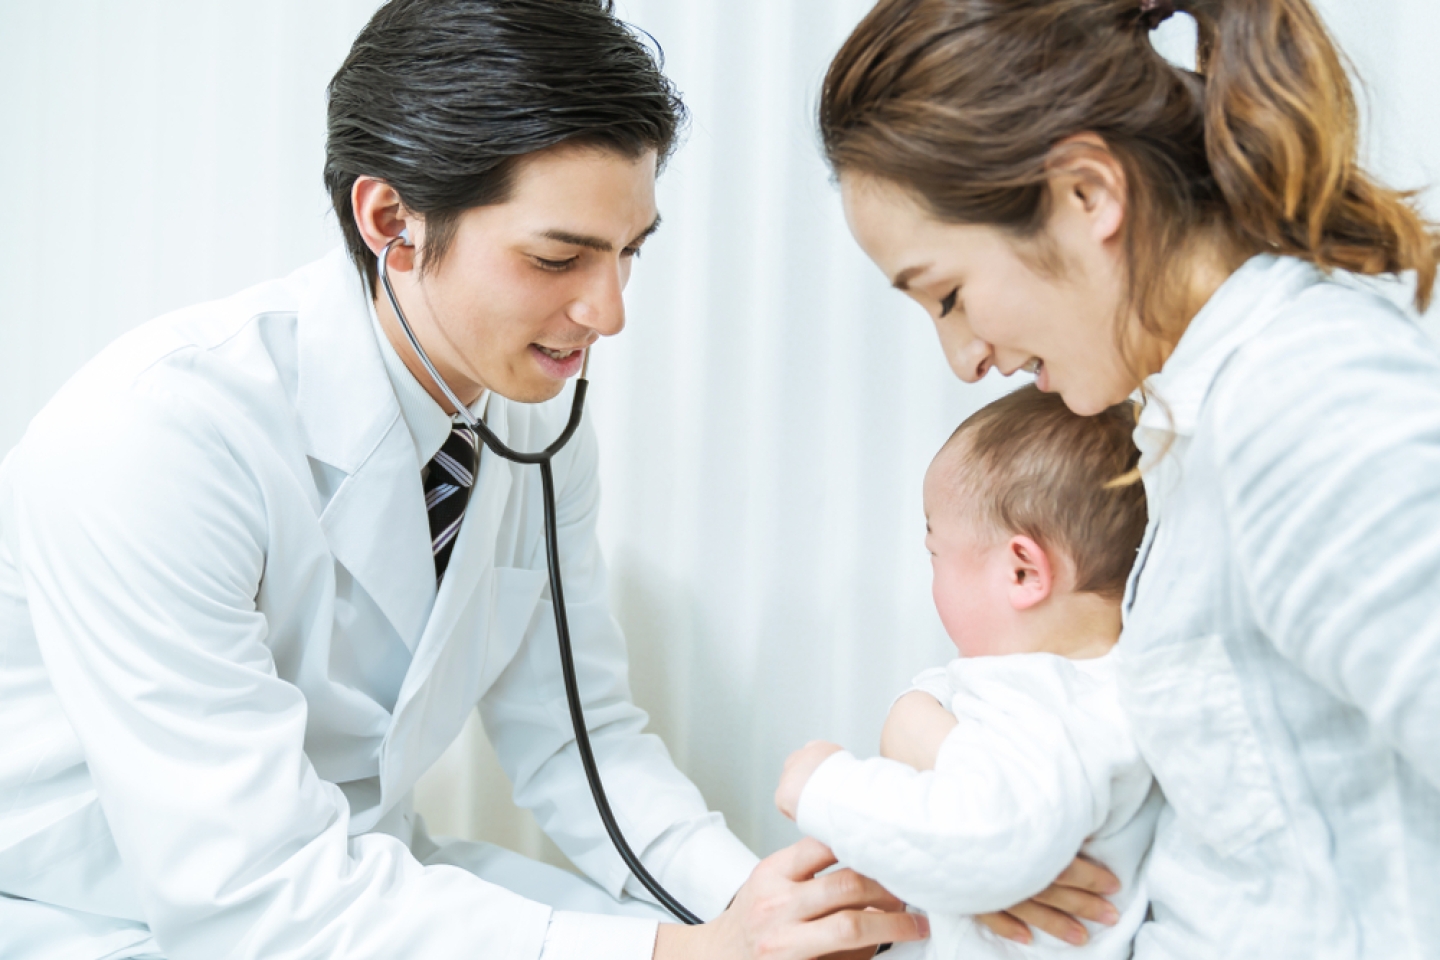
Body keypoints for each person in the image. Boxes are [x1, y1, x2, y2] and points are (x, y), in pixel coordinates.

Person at [0, 2, 929, 959]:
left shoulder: (529, 422)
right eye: (558, 257)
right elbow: (251, 897)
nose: (608, 313)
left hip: (368, 885)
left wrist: (772, 912)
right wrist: (684, 953)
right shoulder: (154, 438)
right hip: (102, 916)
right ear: (391, 220)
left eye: (630, 253)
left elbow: (580, 740)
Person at [817, 0, 1440, 957]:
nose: (963, 357)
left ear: (1085, 195)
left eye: (948, 295)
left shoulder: (1306, 403)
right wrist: (976, 819)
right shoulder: (1183, 428)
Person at [774, 385, 1159, 960]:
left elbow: (987, 836)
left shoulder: (1039, 700)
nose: (932, 576)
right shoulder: (1113, 683)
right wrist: (913, 712)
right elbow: (947, 704)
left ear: (1024, 573)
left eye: (935, 553)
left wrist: (823, 785)